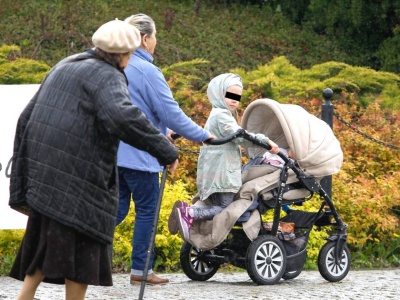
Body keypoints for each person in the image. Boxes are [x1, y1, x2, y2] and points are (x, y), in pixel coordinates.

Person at [8, 19, 178, 300]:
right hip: (80, 180)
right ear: (125, 54)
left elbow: (26, 117)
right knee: (82, 249)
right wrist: (166, 150)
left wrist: (30, 169)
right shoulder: (107, 75)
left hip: (46, 175)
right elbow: (125, 118)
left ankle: (23, 297)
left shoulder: (65, 64)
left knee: (44, 242)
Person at [115, 13, 214, 285]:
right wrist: (203, 136)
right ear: (145, 39)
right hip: (141, 156)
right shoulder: (147, 70)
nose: (156, 41)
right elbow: (172, 113)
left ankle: (77, 253)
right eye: (155, 36)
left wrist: (164, 132)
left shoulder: (115, 65)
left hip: (114, 154)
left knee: (117, 210)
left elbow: (139, 111)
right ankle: (141, 271)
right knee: (147, 210)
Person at [169, 73, 280, 241]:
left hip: (215, 171)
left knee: (216, 206)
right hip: (222, 173)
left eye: (237, 96)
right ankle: (190, 213)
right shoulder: (222, 115)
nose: (234, 100)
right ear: (219, 94)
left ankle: (190, 216)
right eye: (230, 95)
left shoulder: (218, 113)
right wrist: (266, 142)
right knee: (224, 208)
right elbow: (240, 136)